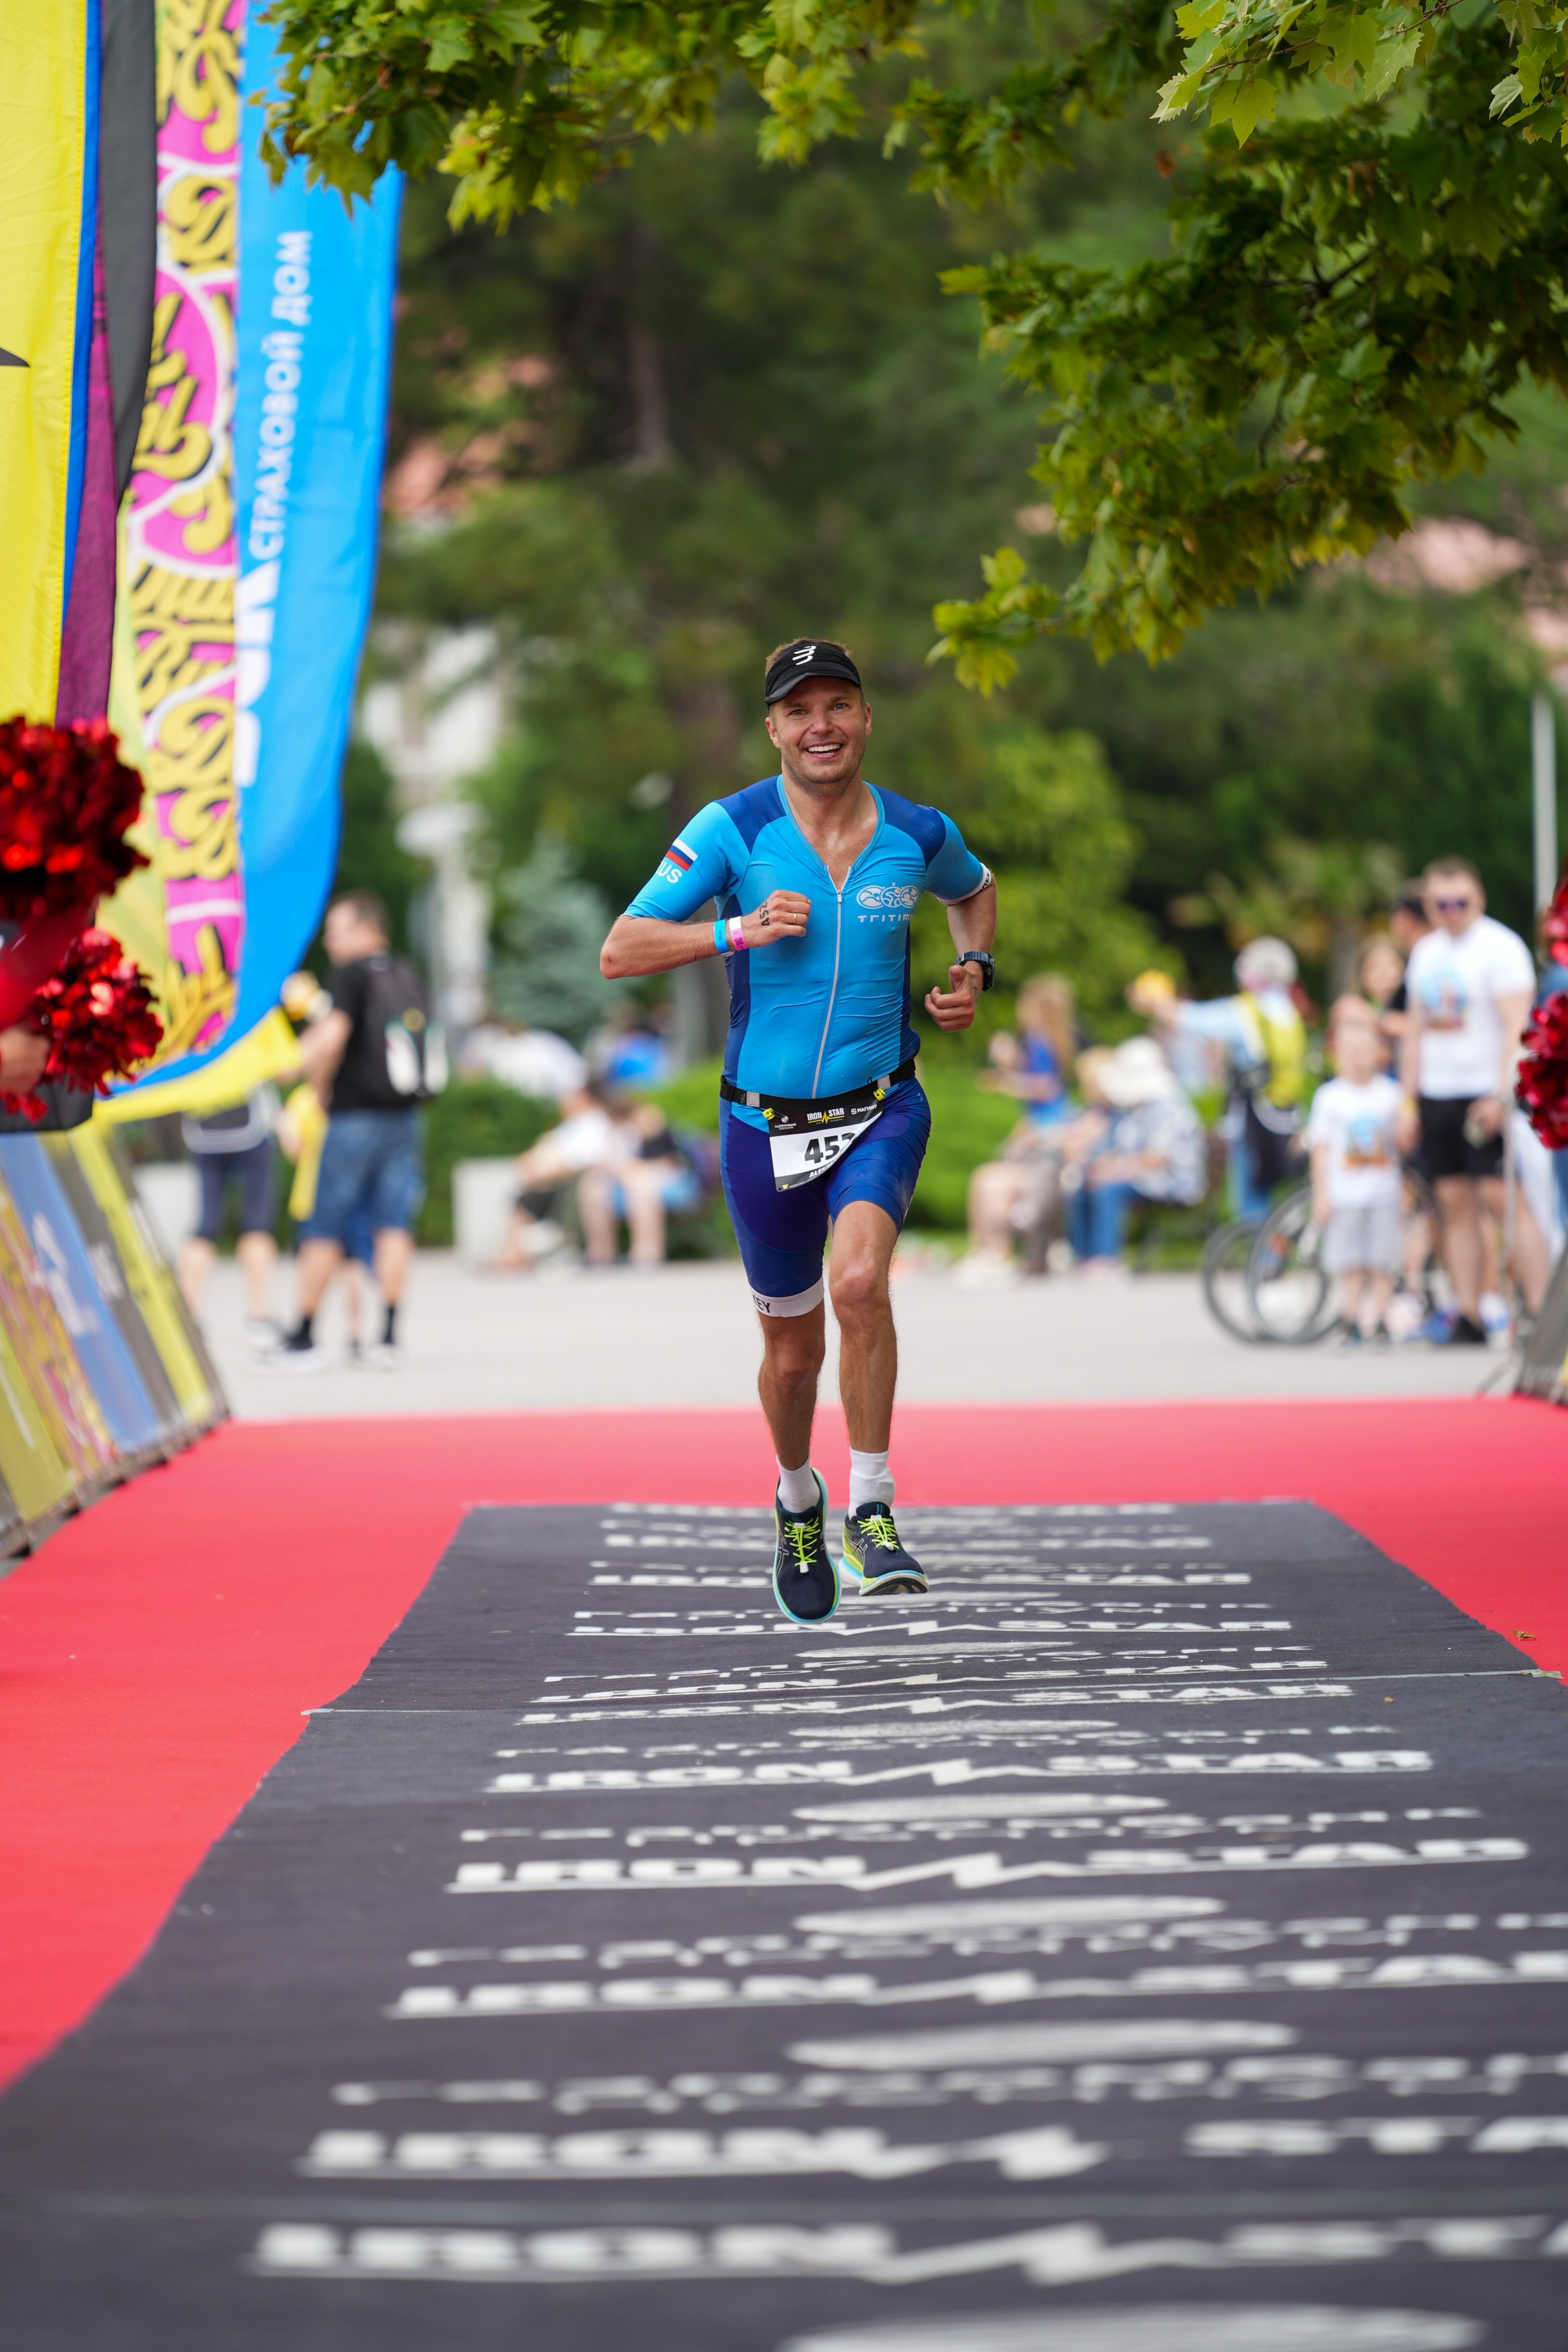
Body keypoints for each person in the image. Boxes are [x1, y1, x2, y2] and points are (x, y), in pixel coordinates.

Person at [600, 636, 996, 1621]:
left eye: (840, 705)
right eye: (800, 710)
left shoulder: (916, 831)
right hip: (761, 1129)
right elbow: (621, 949)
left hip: (880, 1106)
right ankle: (797, 1498)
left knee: (860, 1284)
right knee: (792, 1354)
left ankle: (872, 1507)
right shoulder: (730, 829)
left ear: (867, 719)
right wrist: (734, 928)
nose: (822, 725)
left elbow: (974, 892)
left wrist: (973, 974)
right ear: (773, 728)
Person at [278, 891, 443, 1369]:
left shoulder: (351, 975)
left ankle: (304, 1335)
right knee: (393, 1222)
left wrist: (304, 1077)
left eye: (337, 930)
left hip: (353, 1118)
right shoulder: (405, 971)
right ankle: (388, 1335)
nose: (330, 941)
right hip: (404, 1116)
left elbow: (332, 1037)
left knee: (326, 1222)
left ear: (367, 929)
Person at [1398, 855, 1549, 1342]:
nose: (1452, 910)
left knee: (1503, 1199)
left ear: (1477, 898)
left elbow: (1518, 1027)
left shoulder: (1499, 948)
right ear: (1429, 904)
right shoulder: (1425, 953)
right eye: (1441, 903)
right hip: (1438, 1092)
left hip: (1486, 1091)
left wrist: (1501, 1093)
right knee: (1453, 1201)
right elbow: (1416, 1032)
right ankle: (1469, 1311)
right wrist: (1408, 1102)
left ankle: (1538, 1308)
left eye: (1461, 901)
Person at [1140, 938, 1307, 1218]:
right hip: (1287, 1112)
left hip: (1256, 1116)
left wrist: (1157, 1003)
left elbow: (1193, 1021)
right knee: (1273, 1195)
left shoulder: (1248, 1011)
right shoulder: (1289, 1011)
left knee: (1251, 1199)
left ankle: (1258, 1258)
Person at [961, 974, 1078, 1279]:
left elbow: (1045, 1088)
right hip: (1052, 1124)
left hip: (1046, 1129)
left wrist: (1004, 1081)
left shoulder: (1038, 1040)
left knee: (1002, 1174)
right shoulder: (1057, 1039)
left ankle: (993, 1250)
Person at [1061, 1037, 1208, 1267]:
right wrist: (1100, 1167)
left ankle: (1106, 1258)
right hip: (1142, 1175)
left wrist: (1114, 1171)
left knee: (1107, 1189)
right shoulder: (1137, 1109)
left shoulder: (1169, 1108)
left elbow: (1157, 1159)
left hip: (1171, 1181)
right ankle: (1083, 1256)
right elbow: (1123, 1150)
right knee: (1085, 1182)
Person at [1308, 997, 1405, 1343]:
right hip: (1344, 1193)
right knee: (1348, 1262)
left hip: (1383, 1191)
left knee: (1382, 1261)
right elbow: (1320, 1149)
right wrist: (1321, 1193)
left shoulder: (1392, 1095)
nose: (1358, 1056)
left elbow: (1404, 1145)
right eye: (1350, 1049)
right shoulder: (1329, 1098)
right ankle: (1349, 1318)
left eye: (1365, 1049)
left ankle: (1381, 1318)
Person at [175, 1088, 282, 1346]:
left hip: (203, 1132)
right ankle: (259, 1316)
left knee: (206, 1225)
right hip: (252, 1131)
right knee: (257, 1224)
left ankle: (188, 1316)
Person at [489, 1079, 630, 1269]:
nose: (564, 1100)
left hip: (568, 1183)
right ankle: (513, 1253)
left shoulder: (595, 1123)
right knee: (523, 1199)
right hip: (552, 1180)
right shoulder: (571, 1124)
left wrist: (543, 1175)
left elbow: (583, 1161)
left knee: (526, 1201)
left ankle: (515, 1254)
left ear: (584, 1096)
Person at [578, 1101, 708, 1267]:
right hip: (633, 1177)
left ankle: (647, 1253)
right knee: (594, 1186)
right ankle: (600, 1253)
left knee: (641, 1188)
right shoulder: (626, 1135)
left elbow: (671, 1163)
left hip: (668, 1178)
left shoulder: (662, 1134)